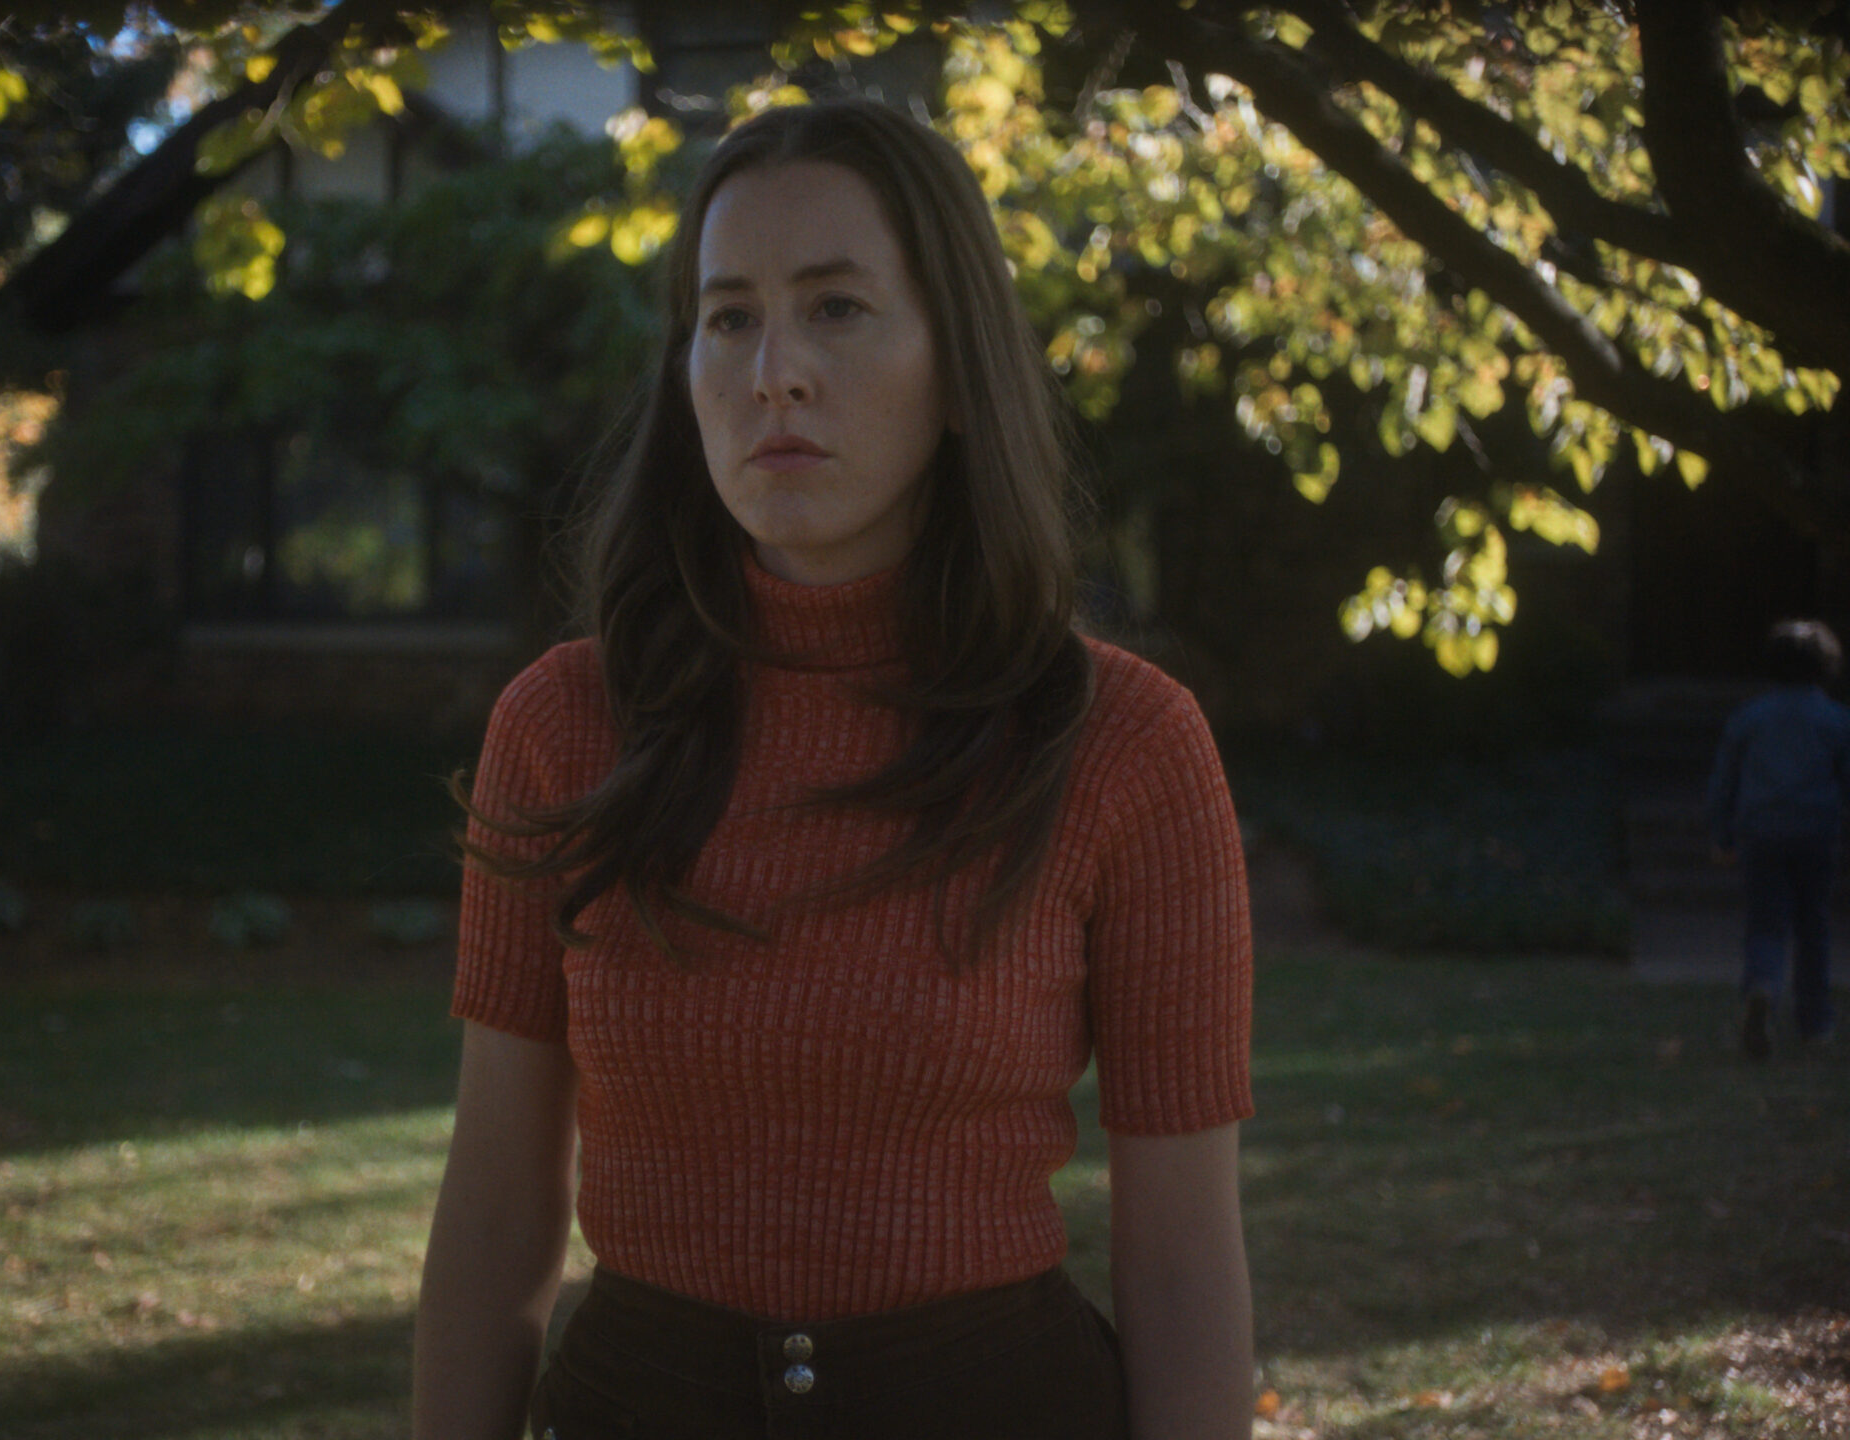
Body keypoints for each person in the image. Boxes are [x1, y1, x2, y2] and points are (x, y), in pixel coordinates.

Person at [412, 98, 1254, 1440]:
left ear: (959, 368)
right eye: (729, 317)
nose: (774, 373)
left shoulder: (1123, 744)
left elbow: (1184, 1259)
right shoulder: (562, 726)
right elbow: (499, 1210)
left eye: (837, 309)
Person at [1707, 619, 1850, 1059]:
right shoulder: (1840, 721)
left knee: (1765, 923)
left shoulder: (1749, 717)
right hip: (1816, 833)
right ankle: (1815, 1022)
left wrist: (1721, 836)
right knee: (1813, 925)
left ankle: (1762, 987)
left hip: (1761, 832)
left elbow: (1723, 783)